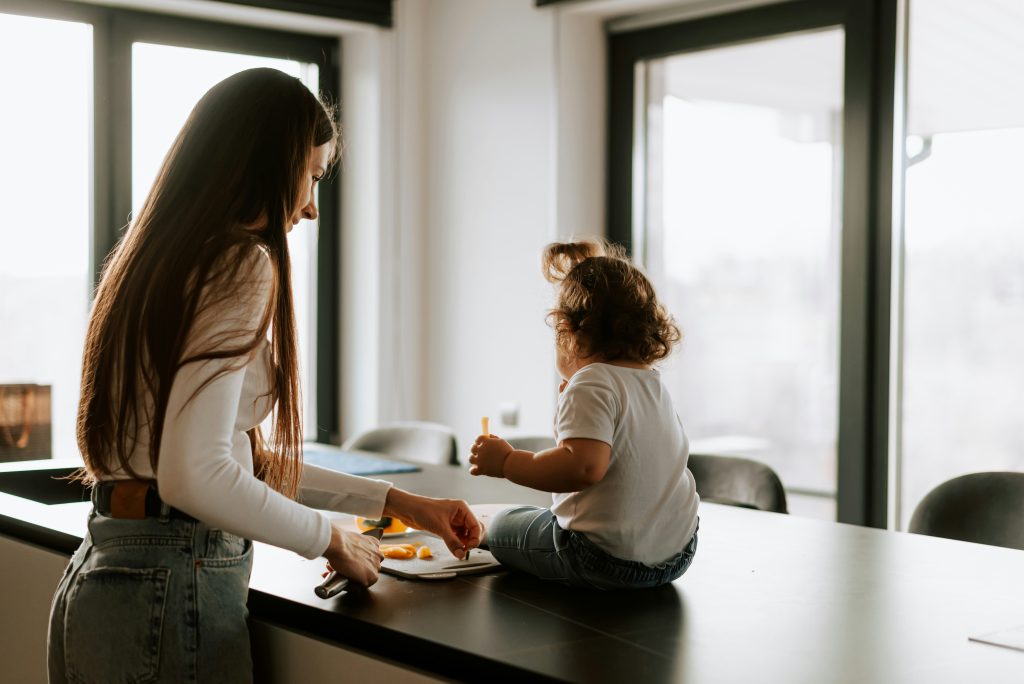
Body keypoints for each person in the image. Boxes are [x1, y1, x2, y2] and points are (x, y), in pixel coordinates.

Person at [47, 68, 480, 683]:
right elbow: (197, 477)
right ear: (262, 165)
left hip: (102, 577)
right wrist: (331, 540)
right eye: (311, 176)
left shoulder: (156, 259)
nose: (311, 206)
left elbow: (229, 460)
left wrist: (399, 502)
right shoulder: (239, 264)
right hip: (172, 584)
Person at [468, 239, 698, 590]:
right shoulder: (652, 383)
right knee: (537, 518)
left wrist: (507, 462)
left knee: (502, 525)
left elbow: (584, 468)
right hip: (677, 555)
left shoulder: (591, 380)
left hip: (602, 559)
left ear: (567, 331)